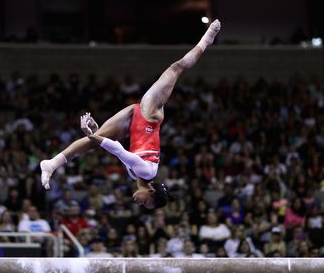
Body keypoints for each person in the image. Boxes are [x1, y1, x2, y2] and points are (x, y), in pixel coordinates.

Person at [40, 19, 222, 209]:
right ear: (151, 191)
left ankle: (51, 164)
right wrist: (91, 134)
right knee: (176, 68)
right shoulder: (146, 171)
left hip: (133, 122)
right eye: (146, 202)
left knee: (93, 141)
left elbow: (115, 149)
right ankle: (206, 40)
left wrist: (95, 132)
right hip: (149, 114)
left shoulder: (134, 175)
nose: (141, 203)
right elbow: (118, 149)